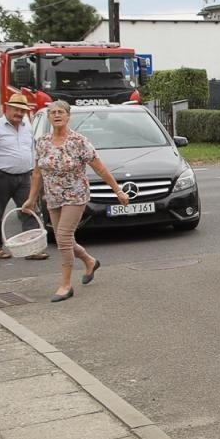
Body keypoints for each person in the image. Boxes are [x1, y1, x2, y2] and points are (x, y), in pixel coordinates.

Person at [23, 100, 130, 303]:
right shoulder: (43, 142)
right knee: (66, 240)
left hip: (75, 196)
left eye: (60, 112)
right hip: (53, 197)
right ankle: (90, 261)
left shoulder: (79, 141)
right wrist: (31, 199)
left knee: (62, 239)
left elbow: (100, 168)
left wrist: (118, 191)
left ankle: (65, 285)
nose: (56, 115)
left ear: (68, 116)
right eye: (53, 112)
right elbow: (37, 173)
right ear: (48, 117)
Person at [0, 93, 46, 261]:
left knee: (28, 210)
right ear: (7, 108)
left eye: (22, 110)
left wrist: (33, 170)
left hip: (23, 177)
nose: (19, 113)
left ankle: (32, 248)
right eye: (16, 109)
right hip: (1, 177)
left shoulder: (27, 126)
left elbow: (31, 149)